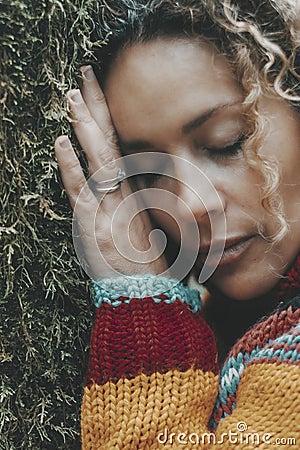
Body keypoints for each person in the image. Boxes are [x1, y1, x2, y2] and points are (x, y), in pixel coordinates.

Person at [54, 0, 300, 448]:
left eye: (227, 142)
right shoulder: (229, 316)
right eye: (147, 175)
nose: (189, 204)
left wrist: (140, 303)